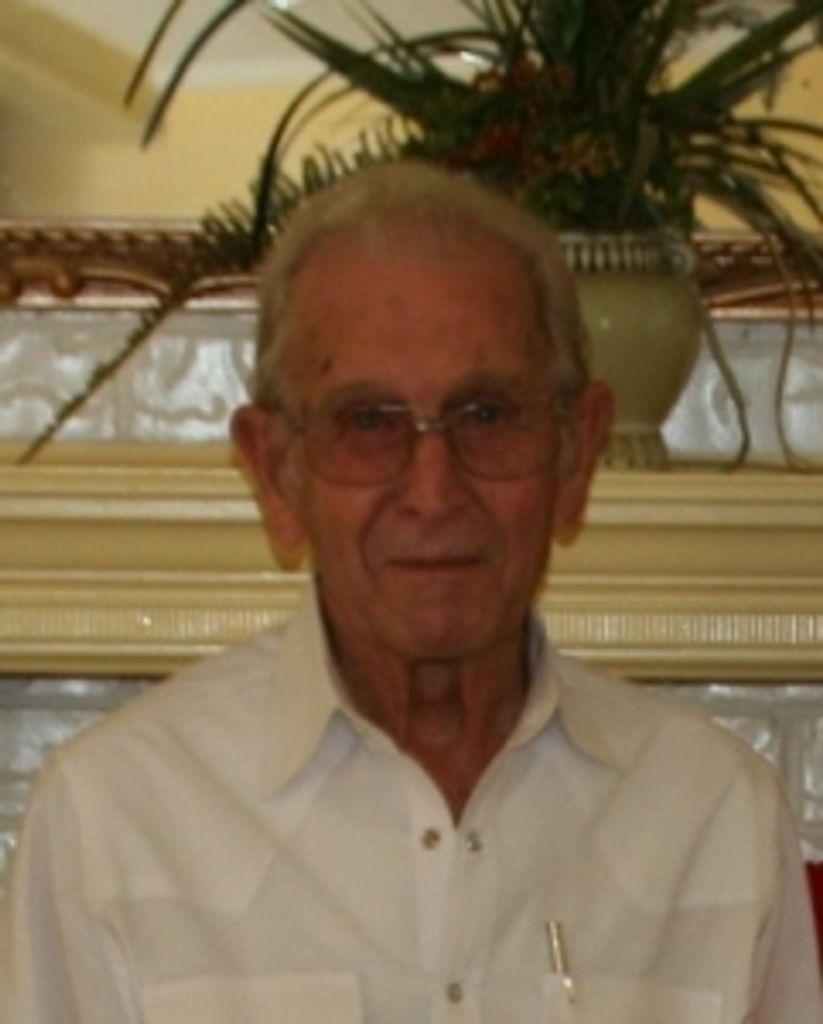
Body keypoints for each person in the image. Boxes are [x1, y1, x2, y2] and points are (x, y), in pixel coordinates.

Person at [5, 161, 820, 1023]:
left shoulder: (715, 818)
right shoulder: (113, 822)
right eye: (367, 423)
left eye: (485, 415)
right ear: (276, 471)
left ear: (575, 454)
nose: (432, 492)